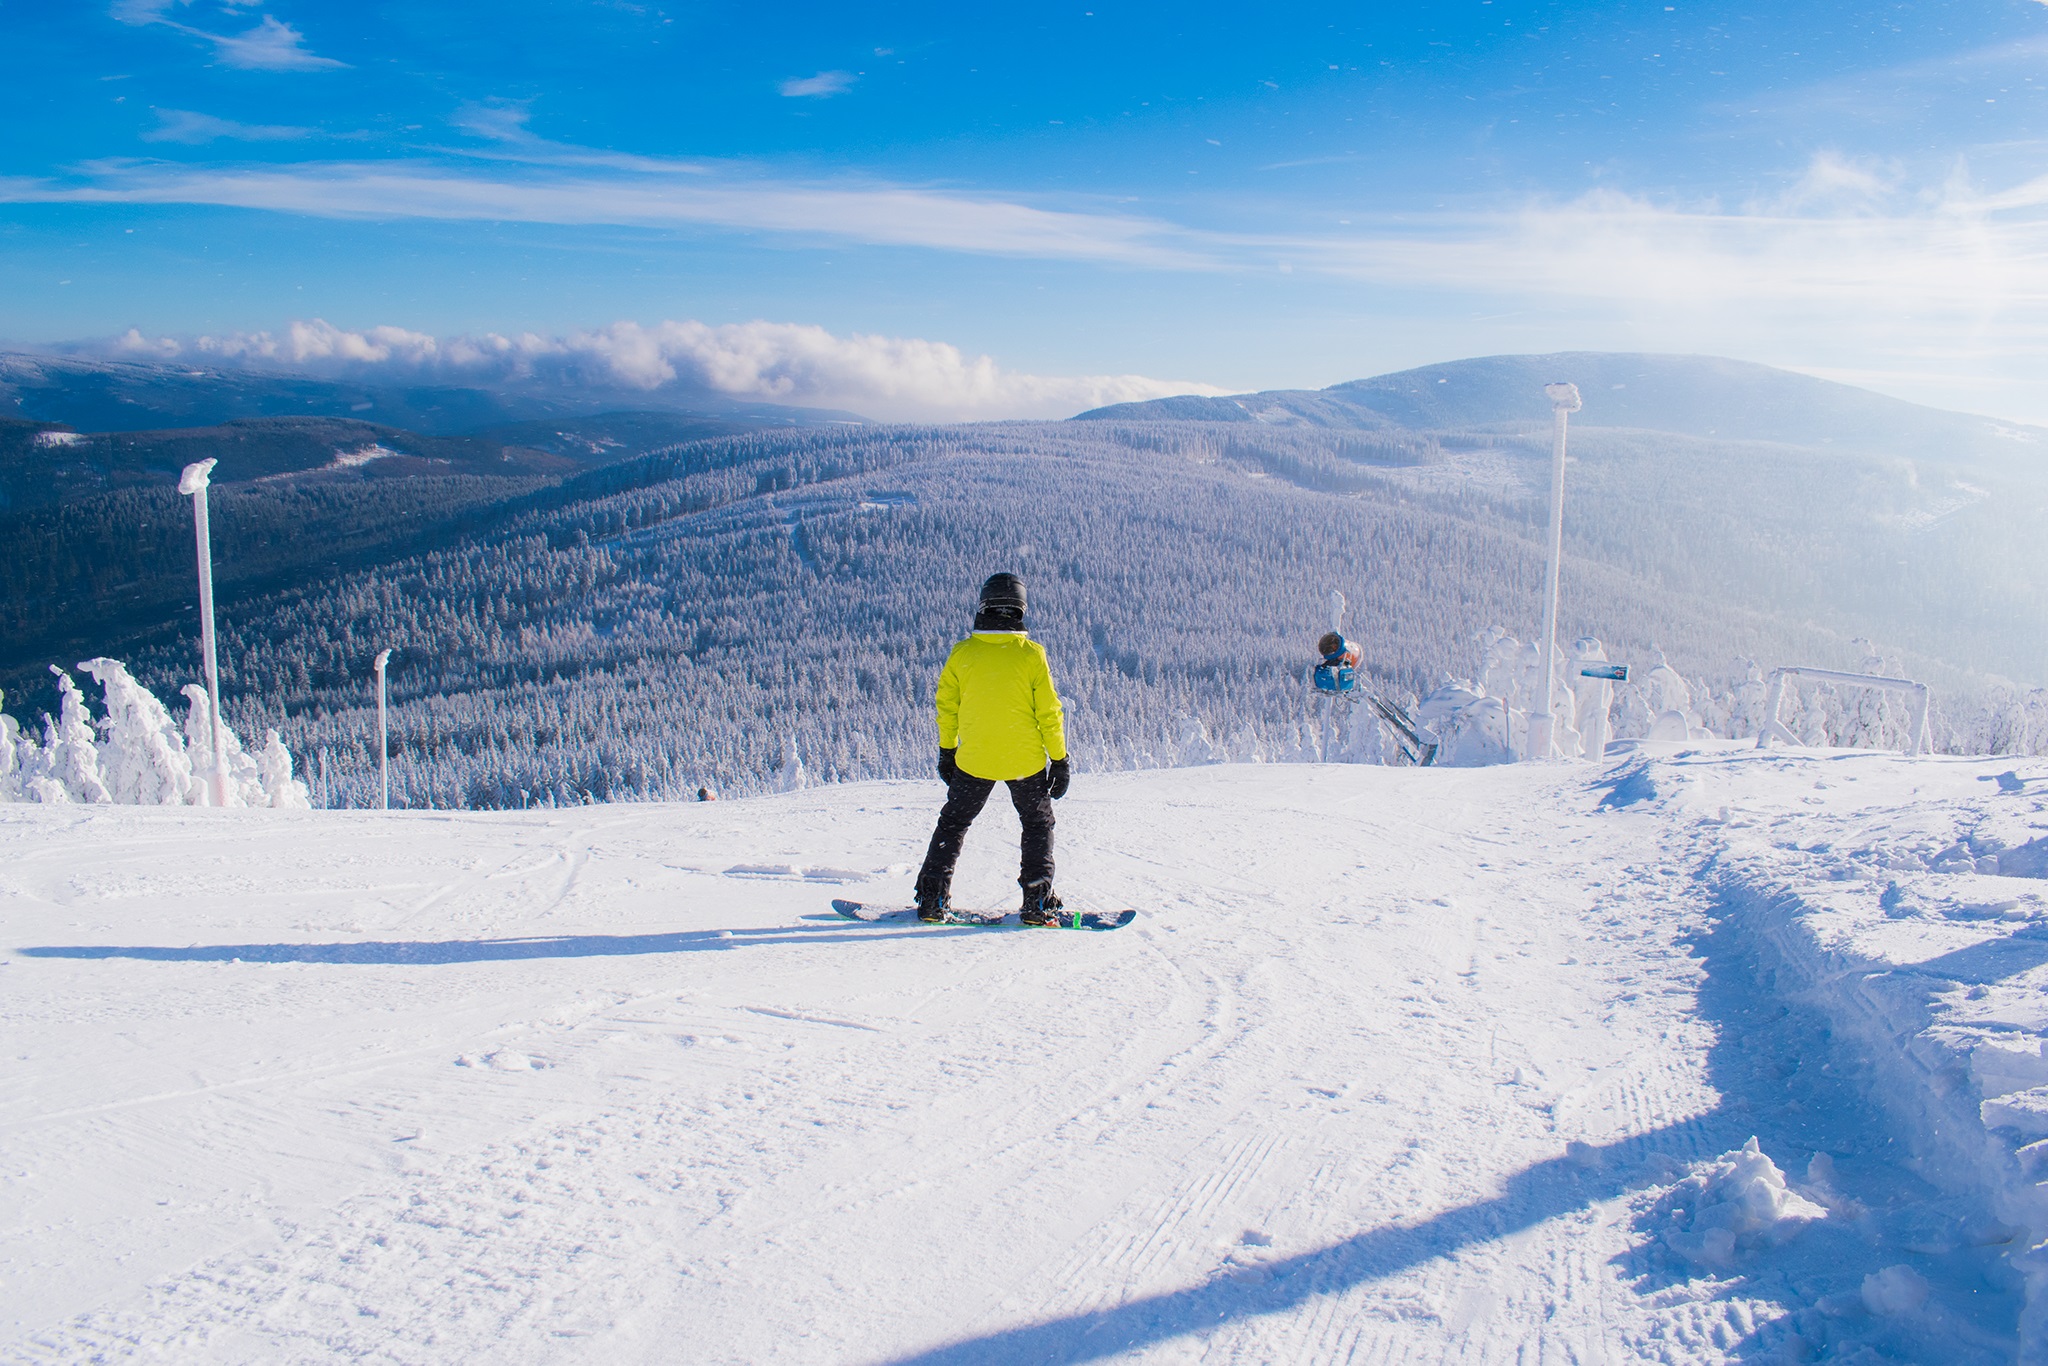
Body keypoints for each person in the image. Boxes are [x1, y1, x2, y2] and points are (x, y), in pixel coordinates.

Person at [913, 572, 1071, 925]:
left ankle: (932, 899)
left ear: (983, 606)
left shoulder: (963, 653)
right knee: (1036, 824)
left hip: (975, 760)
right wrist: (1059, 759)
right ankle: (1037, 902)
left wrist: (947, 750)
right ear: (1020, 610)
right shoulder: (1031, 655)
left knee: (953, 824)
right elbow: (1050, 712)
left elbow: (946, 706)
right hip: (1024, 762)